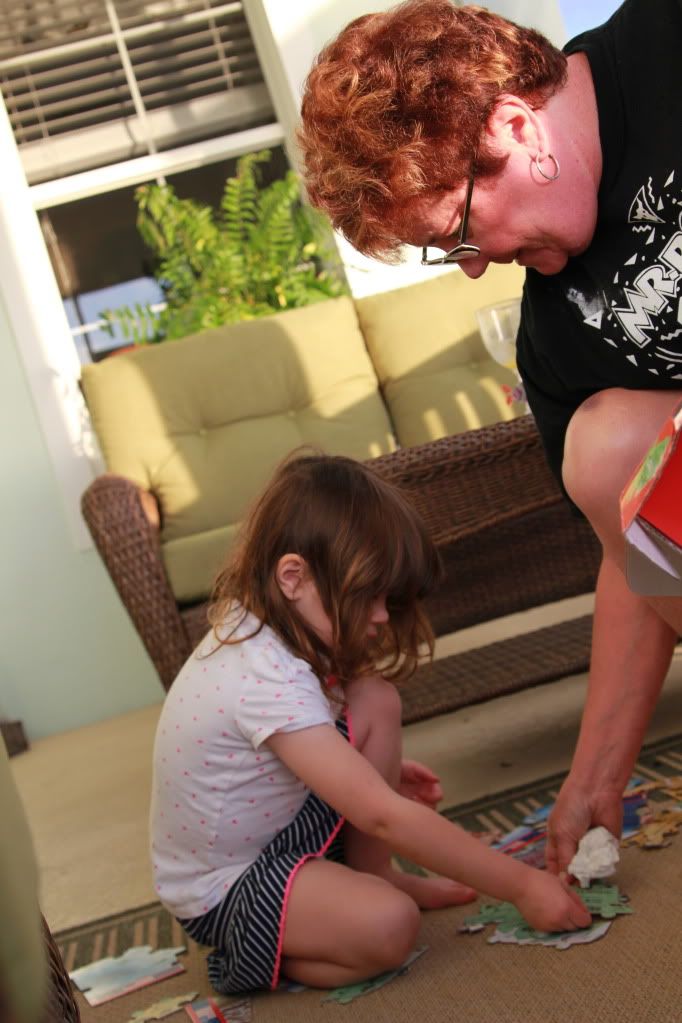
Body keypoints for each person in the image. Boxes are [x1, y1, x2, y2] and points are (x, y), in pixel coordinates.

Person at [298, 0, 682, 878]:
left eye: (458, 234)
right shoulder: (560, 342)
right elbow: (643, 548)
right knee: (606, 449)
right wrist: (596, 771)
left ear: (515, 128)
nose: (473, 266)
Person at [150, 453, 589, 995]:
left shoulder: (271, 621)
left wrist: (371, 768)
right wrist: (523, 885)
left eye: (386, 597)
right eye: (366, 596)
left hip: (278, 835)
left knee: (374, 697)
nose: (381, 615)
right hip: (228, 888)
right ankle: (257, 958)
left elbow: (277, 756)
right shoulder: (259, 674)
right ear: (293, 577)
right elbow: (382, 815)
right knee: (389, 925)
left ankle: (371, 872)